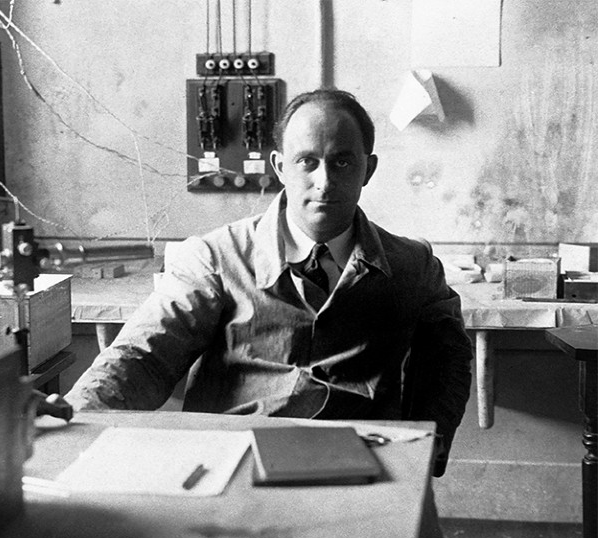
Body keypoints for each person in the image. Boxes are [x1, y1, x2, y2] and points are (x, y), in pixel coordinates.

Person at [65, 88, 473, 478]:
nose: (325, 181)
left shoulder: (412, 265)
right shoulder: (216, 256)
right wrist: (74, 415)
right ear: (280, 167)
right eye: (307, 162)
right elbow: (144, 355)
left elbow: (448, 356)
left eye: (343, 162)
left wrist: (426, 444)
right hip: (232, 462)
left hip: (362, 465)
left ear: (369, 168)